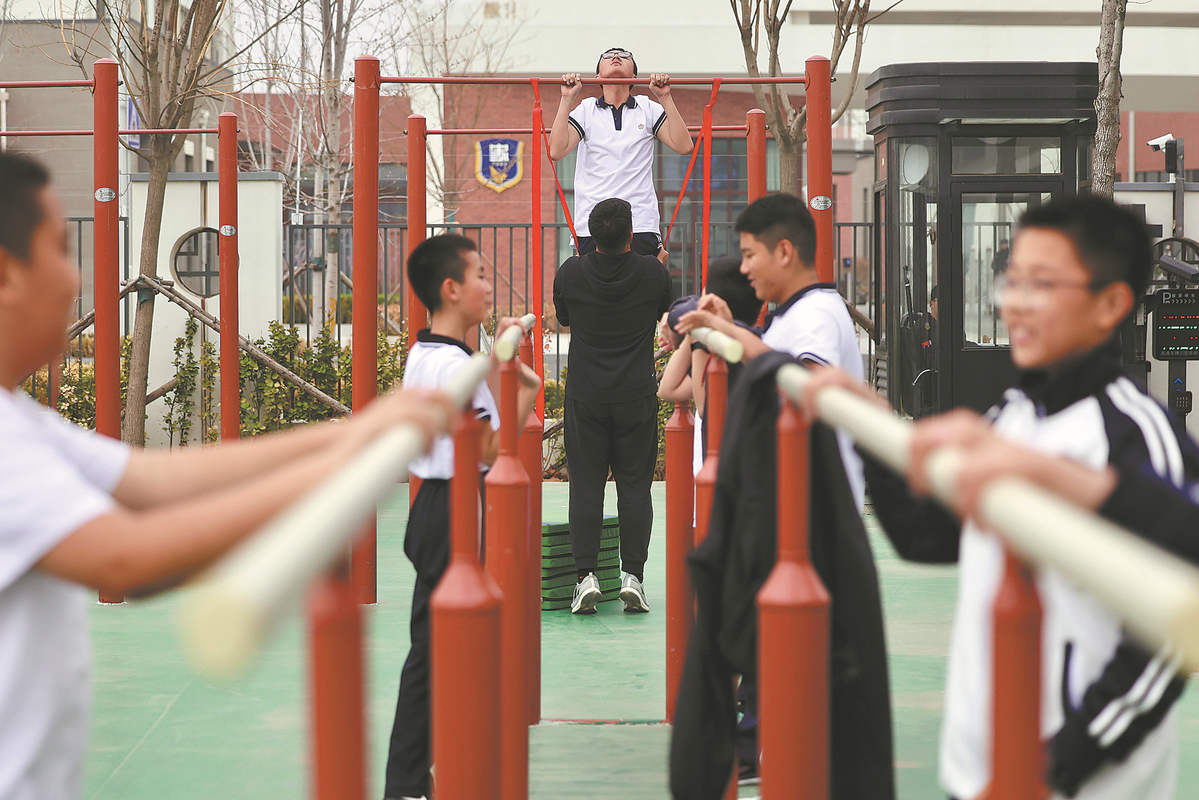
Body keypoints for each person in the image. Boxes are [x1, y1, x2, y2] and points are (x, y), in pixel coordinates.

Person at [0, 151, 457, 800]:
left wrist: (358, 430)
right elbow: (126, 557)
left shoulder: (21, 419)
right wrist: (343, 464)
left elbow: (153, 483)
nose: (75, 276)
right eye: (60, 249)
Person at [799, 194, 1197, 800]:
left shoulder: (1136, 433)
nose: (1014, 302)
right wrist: (869, 424)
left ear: (1111, 304)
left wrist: (1055, 764)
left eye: (1042, 284)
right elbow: (928, 536)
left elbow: (1170, 635)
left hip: (1076, 782)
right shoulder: (1013, 415)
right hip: (983, 773)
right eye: (1011, 281)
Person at [383, 234, 541, 800]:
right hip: (450, 508)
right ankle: (407, 782)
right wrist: (526, 387)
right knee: (434, 653)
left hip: (439, 504)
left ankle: (415, 776)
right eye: (479, 275)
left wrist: (511, 372)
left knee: (435, 649)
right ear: (451, 289)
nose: (488, 285)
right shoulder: (453, 365)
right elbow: (491, 449)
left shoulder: (428, 353)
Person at [676, 192, 866, 508]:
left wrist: (726, 330)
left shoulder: (815, 315)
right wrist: (728, 327)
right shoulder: (799, 312)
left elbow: (806, 385)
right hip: (795, 500)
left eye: (750, 255)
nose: (745, 269)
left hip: (812, 508)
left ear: (784, 252)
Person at [552, 197, 674, 615]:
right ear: (630, 234)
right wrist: (656, 266)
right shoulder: (653, 272)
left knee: (586, 485)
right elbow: (665, 313)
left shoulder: (570, 272)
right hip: (636, 394)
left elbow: (564, 318)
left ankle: (585, 577)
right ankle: (633, 577)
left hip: (585, 394)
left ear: (590, 235)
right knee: (635, 486)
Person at [549, 47, 693, 262]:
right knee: (594, 282)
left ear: (634, 76)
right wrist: (567, 99)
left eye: (625, 56)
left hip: (639, 221)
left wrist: (665, 97)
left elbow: (684, 146)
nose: (616, 57)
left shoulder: (647, 107)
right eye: (608, 56)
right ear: (597, 77)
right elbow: (556, 151)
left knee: (642, 281)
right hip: (593, 221)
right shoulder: (586, 109)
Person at [658, 255, 761, 474]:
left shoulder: (724, 350)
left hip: (728, 471)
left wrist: (697, 337)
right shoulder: (752, 341)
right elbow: (668, 388)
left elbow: (705, 407)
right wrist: (694, 329)